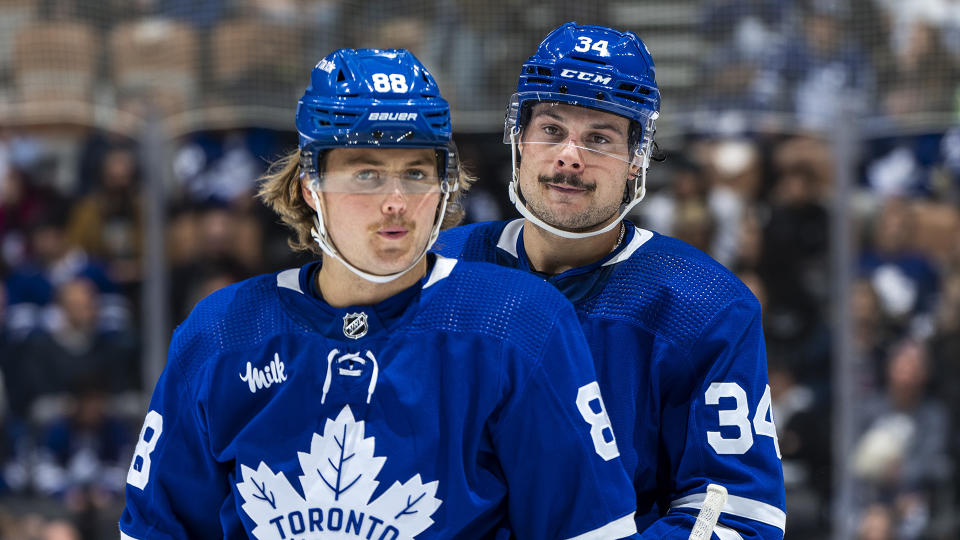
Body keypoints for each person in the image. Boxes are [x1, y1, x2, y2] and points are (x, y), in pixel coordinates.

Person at [120, 48, 640, 539]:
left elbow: (588, 529)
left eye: (416, 173)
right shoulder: (222, 332)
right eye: (366, 173)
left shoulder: (518, 323)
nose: (395, 202)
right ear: (310, 184)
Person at [435, 22, 787, 538]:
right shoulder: (439, 271)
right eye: (552, 130)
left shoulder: (706, 306)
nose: (569, 156)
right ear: (520, 138)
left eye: (598, 138)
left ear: (635, 159)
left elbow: (730, 505)